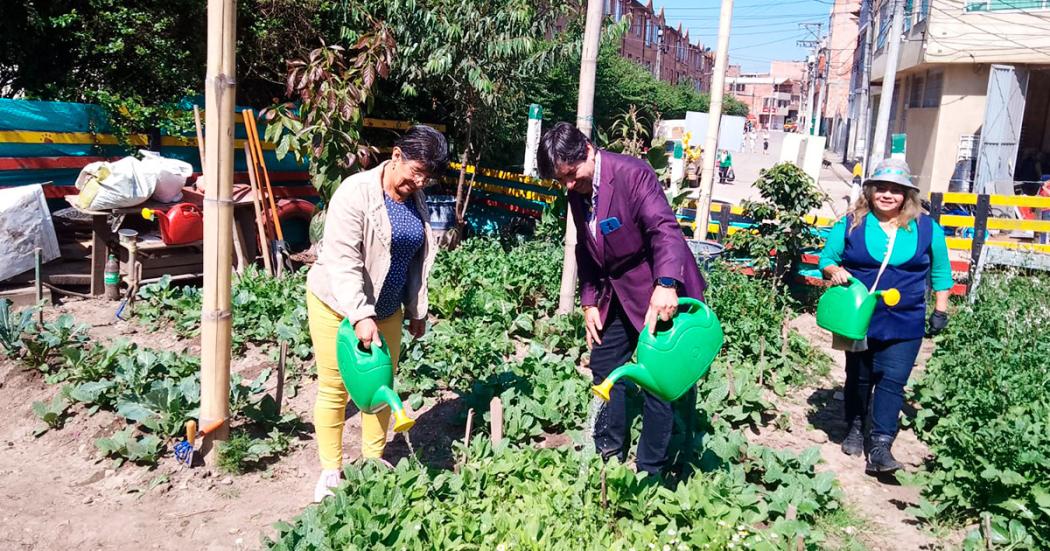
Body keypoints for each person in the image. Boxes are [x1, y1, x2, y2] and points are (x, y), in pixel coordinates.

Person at [536, 122, 707, 476]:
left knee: (658, 380)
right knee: (604, 363)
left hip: (659, 289)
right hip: (617, 292)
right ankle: (609, 450)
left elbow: (664, 229)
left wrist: (666, 283)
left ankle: (651, 471)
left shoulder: (632, 174)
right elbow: (586, 247)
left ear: (586, 149)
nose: (568, 185)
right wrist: (588, 302)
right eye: (561, 180)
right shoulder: (576, 190)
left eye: (571, 175)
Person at [306, 125, 447, 501]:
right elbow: (344, 260)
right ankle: (330, 470)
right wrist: (359, 314)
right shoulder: (355, 192)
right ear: (396, 154)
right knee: (336, 387)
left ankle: (372, 458)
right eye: (415, 171)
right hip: (338, 305)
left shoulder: (413, 198)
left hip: (387, 310)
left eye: (427, 176)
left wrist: (417, 309)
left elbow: (415, 259)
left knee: (381, 388)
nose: (419, 181)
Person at [818, 158, 952, 474]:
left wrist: (940, 311)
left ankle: (880, 445)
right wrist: (834, 270)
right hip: (860, 318)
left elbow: (942, 273)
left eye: (896, 190)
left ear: (907, 195)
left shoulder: (927, 229)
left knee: (892, 380)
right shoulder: (851, 223)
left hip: (906, 320)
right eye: (882, 188)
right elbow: (827, 257)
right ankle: (854, 426)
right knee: (860, 377)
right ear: (871, 191)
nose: (888, 195)